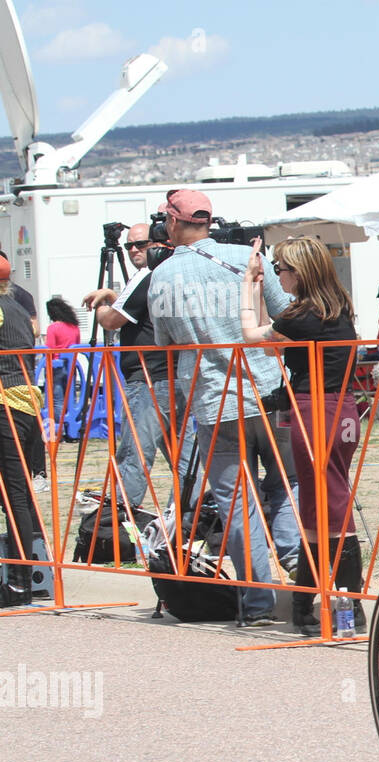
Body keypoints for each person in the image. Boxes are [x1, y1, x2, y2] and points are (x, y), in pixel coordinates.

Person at [149, 188, 300, 626]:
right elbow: (286, 315)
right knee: (289, 482)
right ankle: (298, 562)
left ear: (173, 223)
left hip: (213, 401)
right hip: (269, 390)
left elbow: (164, 341)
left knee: (237, 503)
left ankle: (257, 602)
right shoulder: (246, 257)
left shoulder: (163, 276)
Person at [241, 235, 365, 636]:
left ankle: (343, 605)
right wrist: (263, 288)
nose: (278, 273)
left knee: (329, 509)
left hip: (316, 410)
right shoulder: (335, 311)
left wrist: (249, 286)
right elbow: (269, 343)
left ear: (301, 271)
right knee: (322, 506)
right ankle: (310, 605)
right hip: (339, 409)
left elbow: (250, 335)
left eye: (282, 268)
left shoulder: (305, 316)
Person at [83, 223, 182, 512]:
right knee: (183, 458)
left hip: (150, 378)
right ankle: (184, 518)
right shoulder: (168, 274)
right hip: (176, 376)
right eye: (129, 246)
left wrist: (102, 307)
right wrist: (115, 298)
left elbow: (111, 322)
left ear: (160, 243)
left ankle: (117, 524)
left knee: (134, 454)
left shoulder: (149, 276)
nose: (135, 250)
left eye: (142, 244)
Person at [0, 256, 42, 606]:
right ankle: (22, 576)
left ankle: (18, 584)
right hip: (25, 403)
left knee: (14, 495)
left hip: (6, 403)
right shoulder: (15, 305)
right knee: (18, 494)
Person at [43, 295, 80, 441]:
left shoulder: (53, 328)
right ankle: (73, 429)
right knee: (71, 398)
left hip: (56, 366)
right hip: (72, 365)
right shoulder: (74, 327)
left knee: (57, 400)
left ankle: (61, 431)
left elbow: (50, 348)